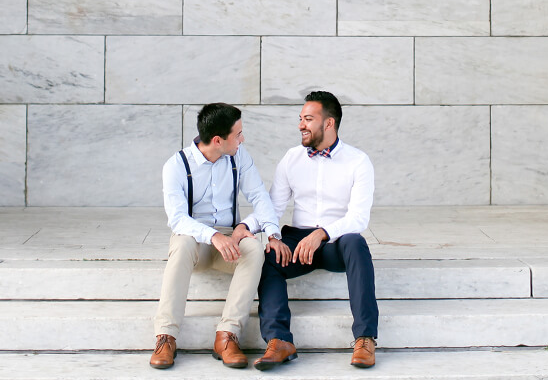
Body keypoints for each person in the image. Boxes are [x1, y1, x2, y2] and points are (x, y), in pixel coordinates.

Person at [150, 102, 289, 369]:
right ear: (218, 140)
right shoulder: (176, 165)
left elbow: (259, 196)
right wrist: (213, 236)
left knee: (253, 249)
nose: (242, 139)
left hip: (230, 241)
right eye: (238, 134)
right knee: (181, 245)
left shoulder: (239, 156)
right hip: (196, 241)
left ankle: (227, 335)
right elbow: (177, 219)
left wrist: (271, 232)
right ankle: (165, 336)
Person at [248, 91, 378, 370]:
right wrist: (244, 228)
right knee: (268, 256)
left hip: (336, 242)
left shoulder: (358, 161)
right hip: (298, 239)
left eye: (308, 119)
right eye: (300, 119)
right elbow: (272, 206)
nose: (300, 125)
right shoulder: (292, 158)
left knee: (357, 244)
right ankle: (279, 340)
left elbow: (358, 218)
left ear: (329, 123)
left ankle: (365, 338)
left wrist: (321, 233)